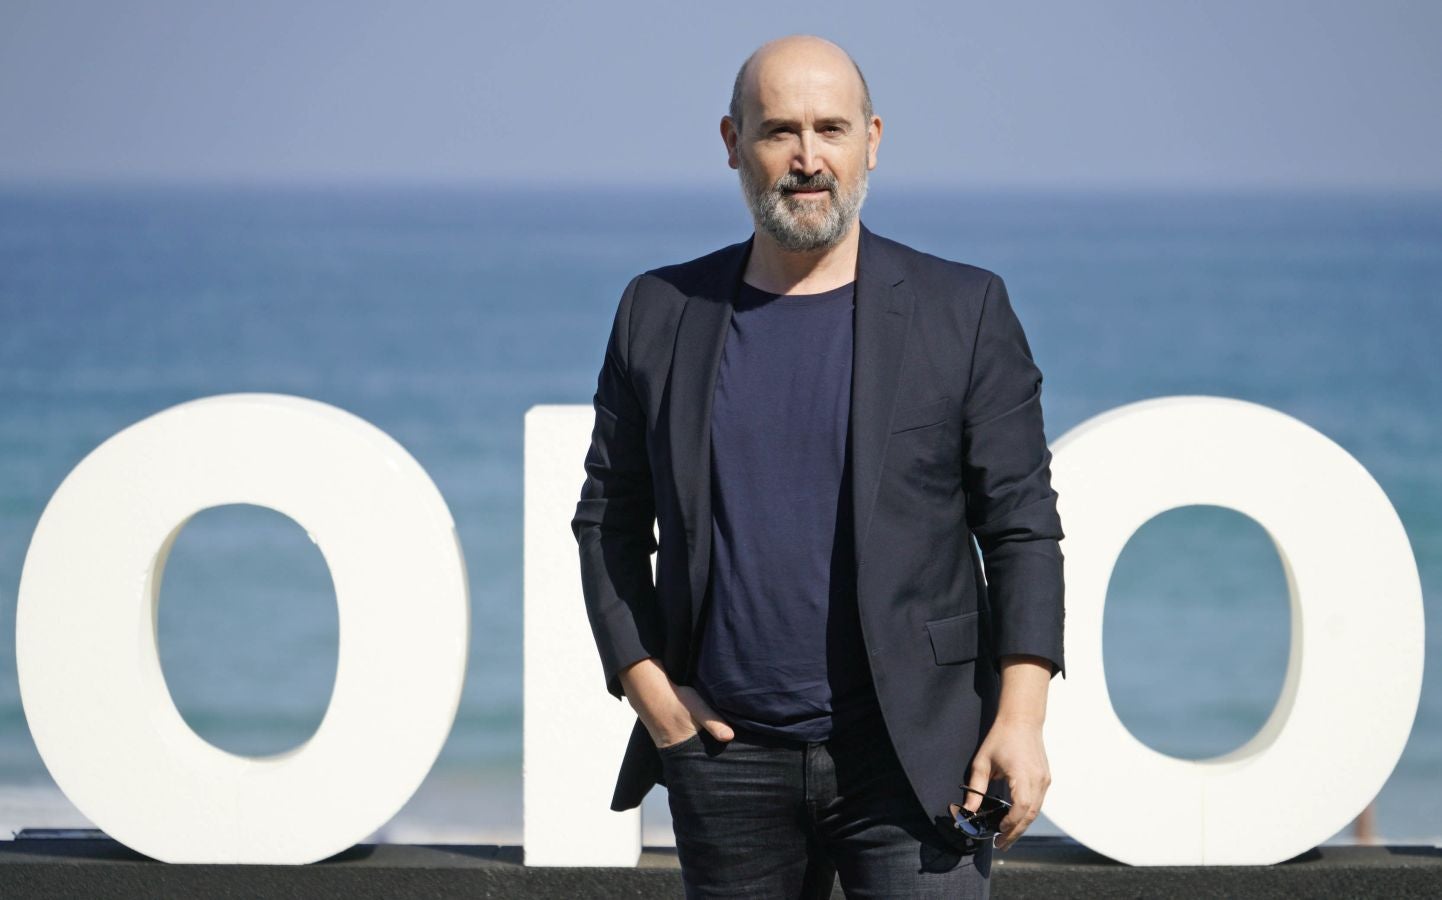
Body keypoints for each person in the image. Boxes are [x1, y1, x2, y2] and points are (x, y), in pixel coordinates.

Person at [572, 33, 1065, 899]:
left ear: (872, 139)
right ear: (733, 143)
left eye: (831, 129)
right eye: (779, 132)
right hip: (727, 760)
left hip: (916, 759)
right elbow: (608, 520)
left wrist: (1020, 720)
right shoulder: (659, 311)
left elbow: (1021, 524)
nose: (808, 159)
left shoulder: (964, 309)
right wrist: (658, 702)